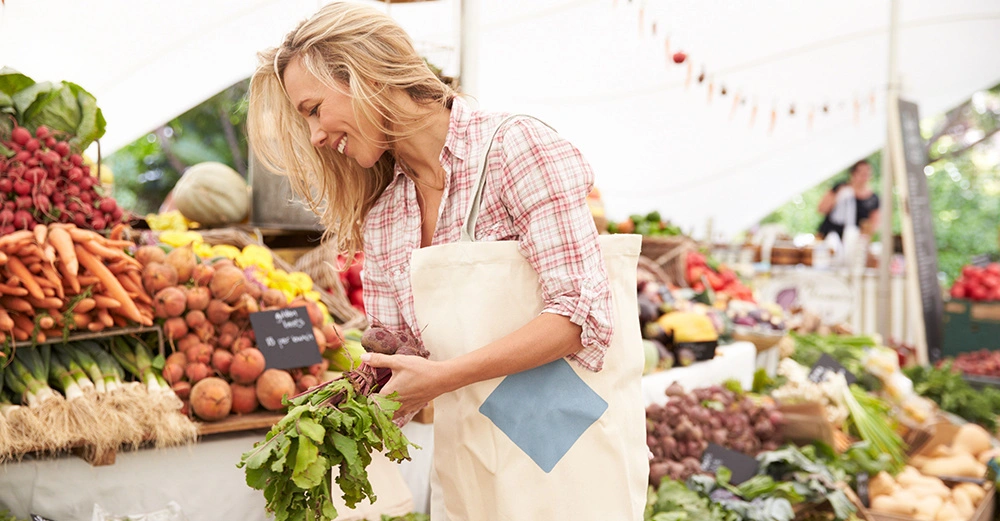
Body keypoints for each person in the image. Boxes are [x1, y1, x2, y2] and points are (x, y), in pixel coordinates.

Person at [247, 3, 646, 520]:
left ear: (362, 75)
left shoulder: (514, 149)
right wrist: (334, 408)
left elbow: (579, 318)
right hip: (474, 455)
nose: (317, 135)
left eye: (313, 109)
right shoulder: (387, 215)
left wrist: (443, 377)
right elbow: (403, 358)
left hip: (565, 442)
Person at [817, 159, 880, 239]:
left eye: (867, 173)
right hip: (830, 234)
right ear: (853, 173)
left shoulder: (873, 198)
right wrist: (838, 198)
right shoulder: (840, 188)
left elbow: (874, 224)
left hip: (853, 239)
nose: (864, 176)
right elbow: (821, 209)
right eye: (861, 173)